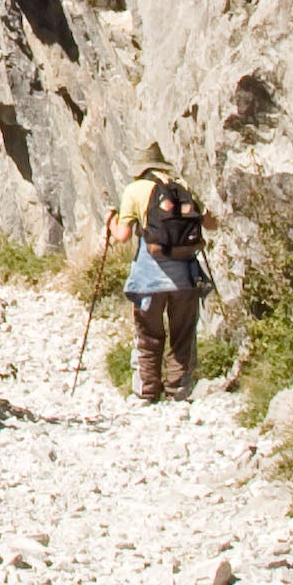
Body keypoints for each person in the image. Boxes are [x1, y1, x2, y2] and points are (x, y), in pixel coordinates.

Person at [123, 157, 211, 402]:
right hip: (185, 278)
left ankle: (147, 391)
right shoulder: (182, 187)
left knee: (149, 335)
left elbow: (121, 235)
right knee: (182, 334)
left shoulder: (135, 191)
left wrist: (111, 221)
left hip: (148, 281)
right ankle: (180, 389)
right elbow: (211, 223)